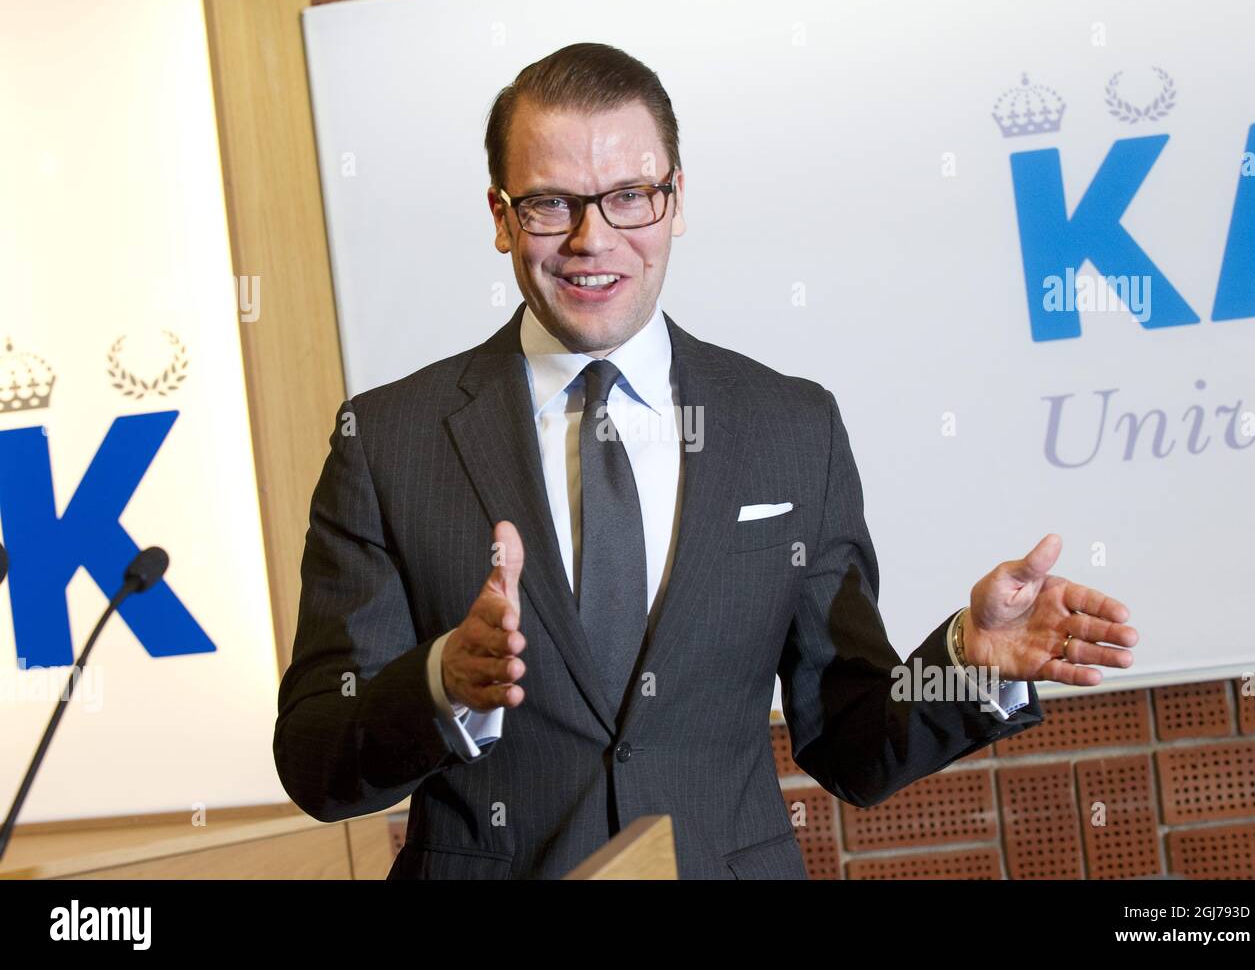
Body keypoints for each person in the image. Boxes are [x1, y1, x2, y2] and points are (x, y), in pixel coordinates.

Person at [273, 43, 1139, 880]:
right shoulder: (388, 441)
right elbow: (316, 759)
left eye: (630, 196)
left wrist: (966, 659)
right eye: (550, 204)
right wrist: (441, 684)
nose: (592, 237)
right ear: (501, 217)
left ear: (677, 200)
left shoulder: (791, 427)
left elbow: (848, 739)